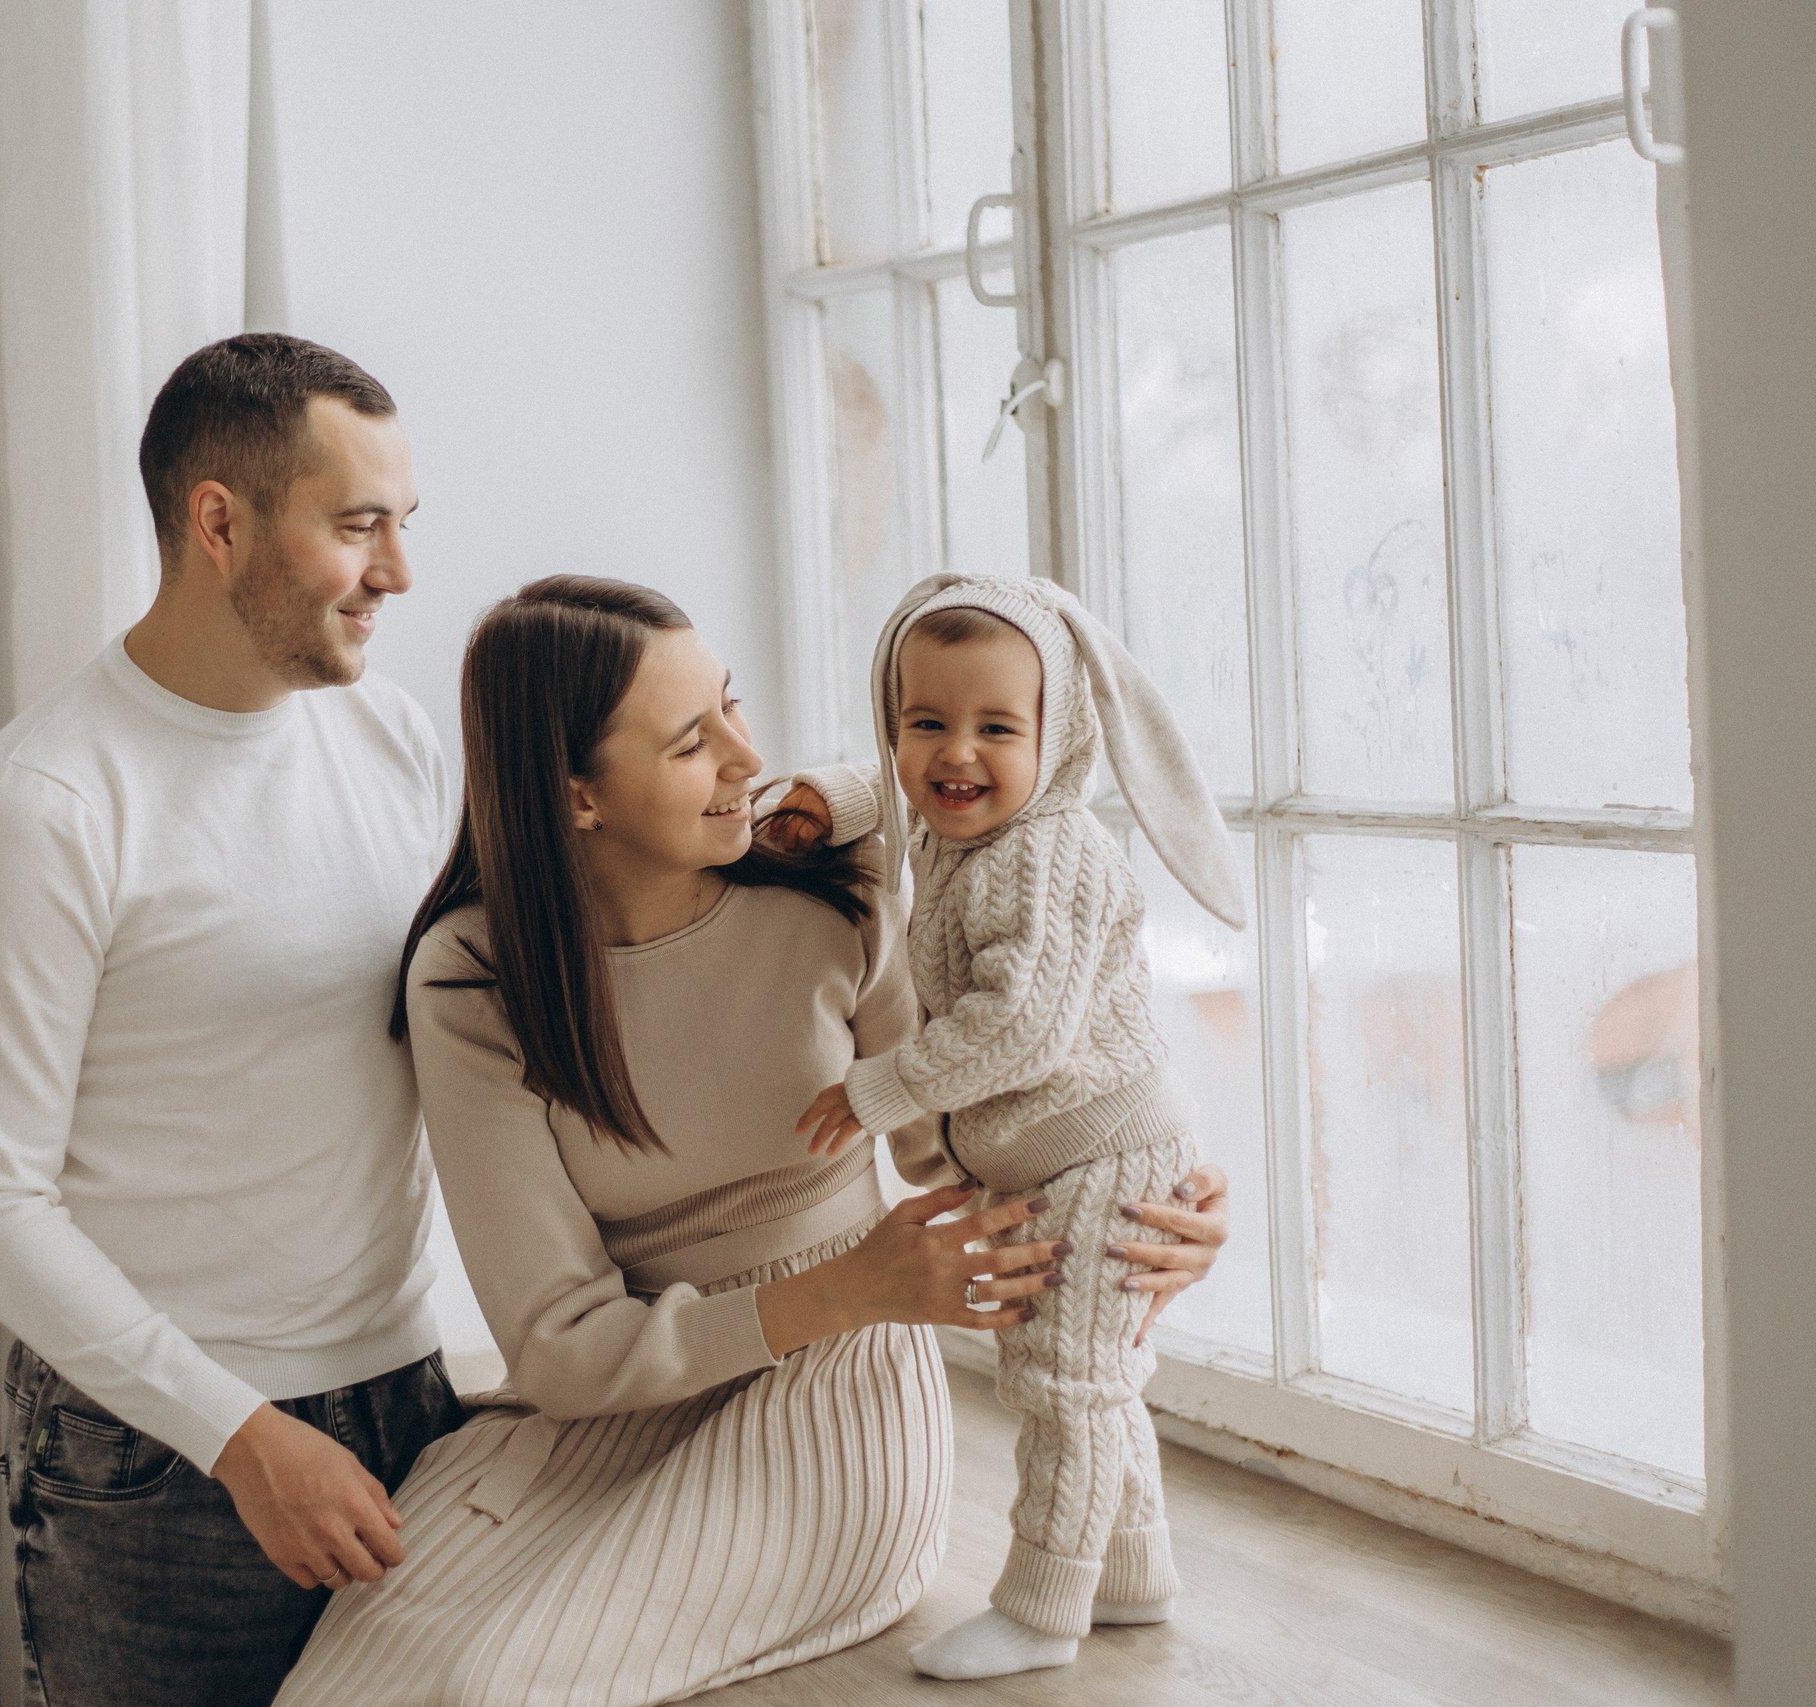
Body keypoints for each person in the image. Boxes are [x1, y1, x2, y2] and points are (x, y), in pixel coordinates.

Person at [277, 577, 1232, 1705]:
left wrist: (1138, 1210)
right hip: (613, 1397)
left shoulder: (831, 896)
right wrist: (835, 1287)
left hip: (839, 1390)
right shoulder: (476, 975)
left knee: (496, 1683)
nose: (748, 756)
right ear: (575, 795)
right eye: (693, 740)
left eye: (730, 705)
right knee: (356, 1677)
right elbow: (561, 1348)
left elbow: (961, 1146)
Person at [0, 334, 460, 1707]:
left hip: (418, 1404)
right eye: (358, 525)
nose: (398, 570)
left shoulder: (395, 739)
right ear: (220, 520)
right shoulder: (39, 805)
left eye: (403, 524)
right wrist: (240, 1437)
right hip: (159, 1464)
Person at [782, 572, 1247, 1681]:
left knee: (1062, 1384)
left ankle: (1043, 1609)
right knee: (1091, 1368)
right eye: (925, 722)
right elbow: (890, 800)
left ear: (1060, 737)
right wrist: (823, 802)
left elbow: (1021, 1030)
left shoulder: (1049, 854)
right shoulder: (959, 832)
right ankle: (1132, 1574)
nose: (957, 754)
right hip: (1052, 1149)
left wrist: (875, 1090)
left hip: (1097, 1151)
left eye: (997, 727)